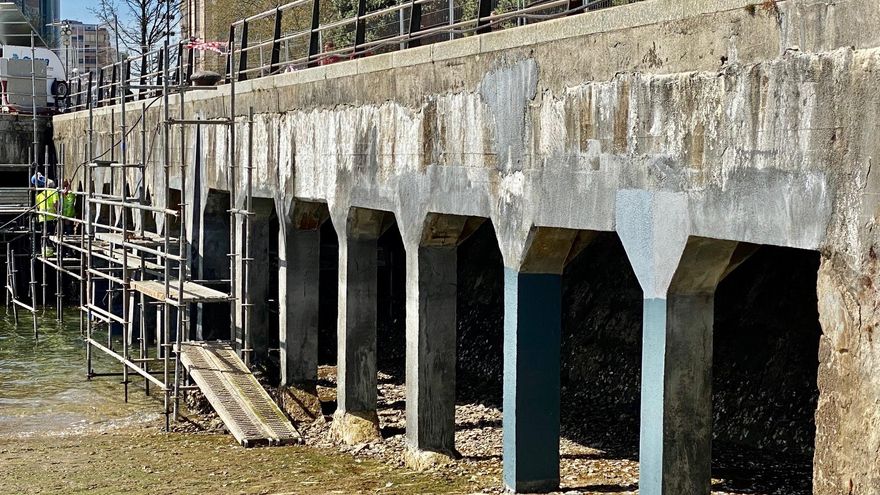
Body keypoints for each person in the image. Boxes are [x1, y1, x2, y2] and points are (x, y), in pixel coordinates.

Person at [35, 178, 58, 257]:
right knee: (50, 234)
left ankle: (44, 251)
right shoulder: (54, 192)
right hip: (50, 217)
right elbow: (55, 204)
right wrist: (57, 213)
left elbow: (37, 206)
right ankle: (49, 252)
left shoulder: (40, 194)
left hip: (42, 217)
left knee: (44, 234)